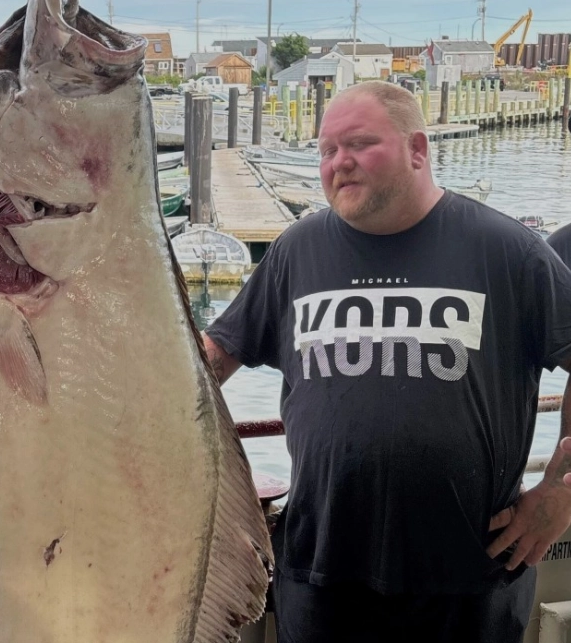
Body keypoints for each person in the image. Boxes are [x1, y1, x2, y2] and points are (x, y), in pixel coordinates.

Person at [203, 80, 571, 642]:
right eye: (325, 150)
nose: (337, 164)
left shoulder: (508, 251)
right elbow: (215, 357)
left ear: (418, 150)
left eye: (358, 144)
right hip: (321, 576)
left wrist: (561, 493)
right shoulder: (295, 251)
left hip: (471, 582)